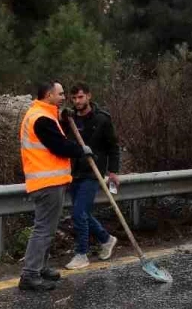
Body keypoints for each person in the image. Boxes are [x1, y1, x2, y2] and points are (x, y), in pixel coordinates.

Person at [18, 81, 92, 291]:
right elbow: (59, 145)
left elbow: (56, 135)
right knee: (43, 229)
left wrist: (64, 118)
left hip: (51, 182)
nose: (63, 97)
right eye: (60, 94)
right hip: (46, 182)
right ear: (49, 94)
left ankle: (40, 267)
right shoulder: (40, 118)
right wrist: (81, 150)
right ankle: (30, 274)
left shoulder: (44, 114)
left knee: (47, 228)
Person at [60, 83, 119, 270]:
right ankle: (106, 239)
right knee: (82, 213)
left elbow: (113, 147)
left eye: (81, 97)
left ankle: (81, 254)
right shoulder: (70, 119)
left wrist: (113, 172)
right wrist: (62, 117)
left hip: (93, 173)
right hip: (74, 172)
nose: (77, 101)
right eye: (74, 98)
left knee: (78, 213)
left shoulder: (102, 119)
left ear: (89, 96)